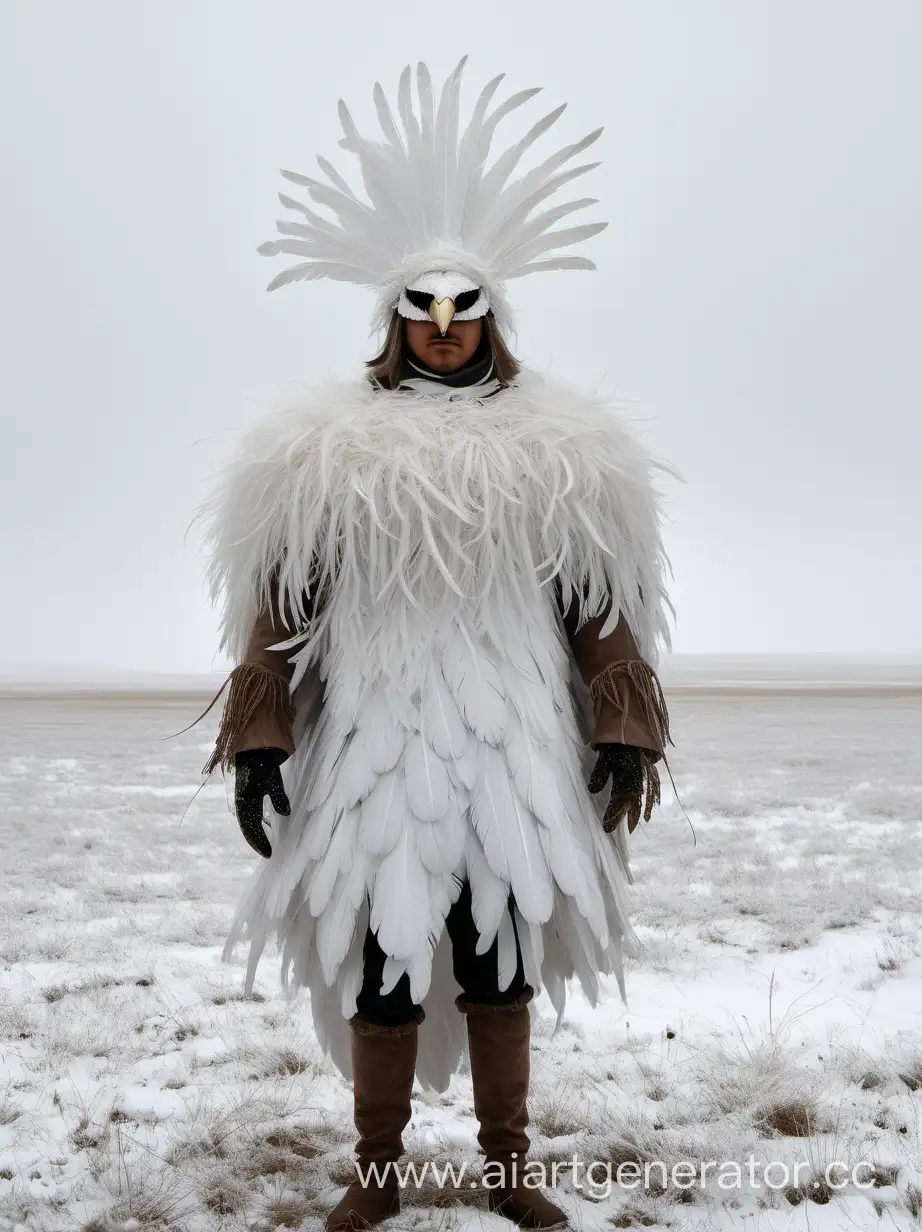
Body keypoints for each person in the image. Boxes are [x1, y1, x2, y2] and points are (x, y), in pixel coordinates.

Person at [199, 58, 673, 1232]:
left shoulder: (556, 449)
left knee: (499, 946)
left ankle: (509, 1166)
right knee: (382, 956)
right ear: (396, 318)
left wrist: (618, 716)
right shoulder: (328, 451)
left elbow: (595, 599)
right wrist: (261, 734)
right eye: (425, 310)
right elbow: (281, 601)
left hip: (510, 734)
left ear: (492, 318)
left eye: (466, 310)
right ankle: (379, 1168)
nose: (446, 330)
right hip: (378, 740)